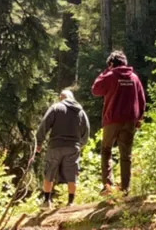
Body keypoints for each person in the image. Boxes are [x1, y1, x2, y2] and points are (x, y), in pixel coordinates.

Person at [91, 50, 146, 195]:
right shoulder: (134, 78)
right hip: (130, 120)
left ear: (111, 64)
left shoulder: (110, 75)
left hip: (112, 119)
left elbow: (95, 90)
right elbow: (142, 99)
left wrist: (105, 71)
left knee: (106, 150)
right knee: (126, 155)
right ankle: (125, 189)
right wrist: (140, 118)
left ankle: (108, 186)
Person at [36, 90, 90, 209]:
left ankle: (46, 201)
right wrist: (81, 144)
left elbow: (44, 124)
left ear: (61, 97)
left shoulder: (56, 107)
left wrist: (38, 142)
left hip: (56, 145)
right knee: (72, 173)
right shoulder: (81, 111)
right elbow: (86, 130)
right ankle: (70, 202)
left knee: (49, 171)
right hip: (73, 147)